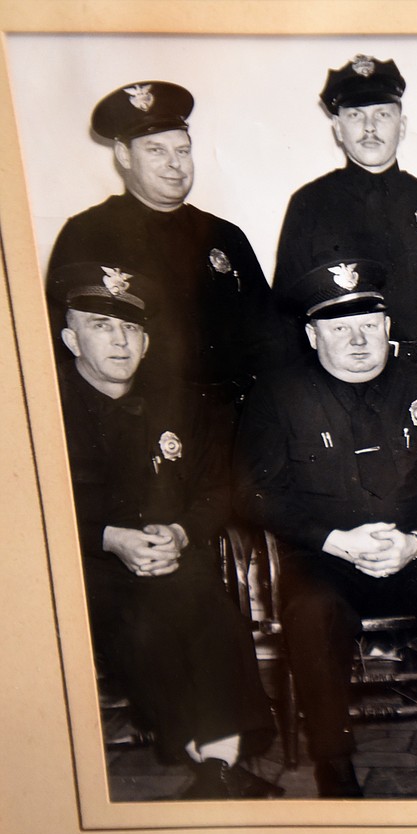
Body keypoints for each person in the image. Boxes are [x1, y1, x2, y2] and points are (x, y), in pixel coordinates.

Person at [233, 259, 417, 799]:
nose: (358, 340)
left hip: (411, 550)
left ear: (388, 327)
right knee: (311, 610)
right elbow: (255, 493)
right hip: (323, 555)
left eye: (370, 325)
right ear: (312, 335)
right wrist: (334, 540)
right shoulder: (279, 394)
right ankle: (335, 759)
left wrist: (416, 540)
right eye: (338, 328)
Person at [48, 262, 281, 800]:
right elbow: (28, 502)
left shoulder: (182, 403)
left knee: (211, 611)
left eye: (130, 328)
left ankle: (218, 764)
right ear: (70, 338)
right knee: (141, 627)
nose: (119, 341)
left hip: (171, 553)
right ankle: (206, 760)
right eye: (101, 326)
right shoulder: (43, 406)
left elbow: (214, 491)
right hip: (85, 563)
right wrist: (109, 538)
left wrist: (179, 532)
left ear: (147, 342)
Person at [273, 55, 417, 450]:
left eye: (383, 114)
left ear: (403, 124)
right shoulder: (310, 205)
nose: (370, 127)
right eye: (356, 116)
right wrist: (303, 407)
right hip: (338, 394)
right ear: (338, 129)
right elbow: (287, 320)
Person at [48, 81, 282, 407]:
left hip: (234, 417)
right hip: (143, 418)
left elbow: (270, 335)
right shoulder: (87, 233)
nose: (175, 164)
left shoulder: (225, 236)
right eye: (156, 150)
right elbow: (60, 347)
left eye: (182, 151)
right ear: (123, 156)